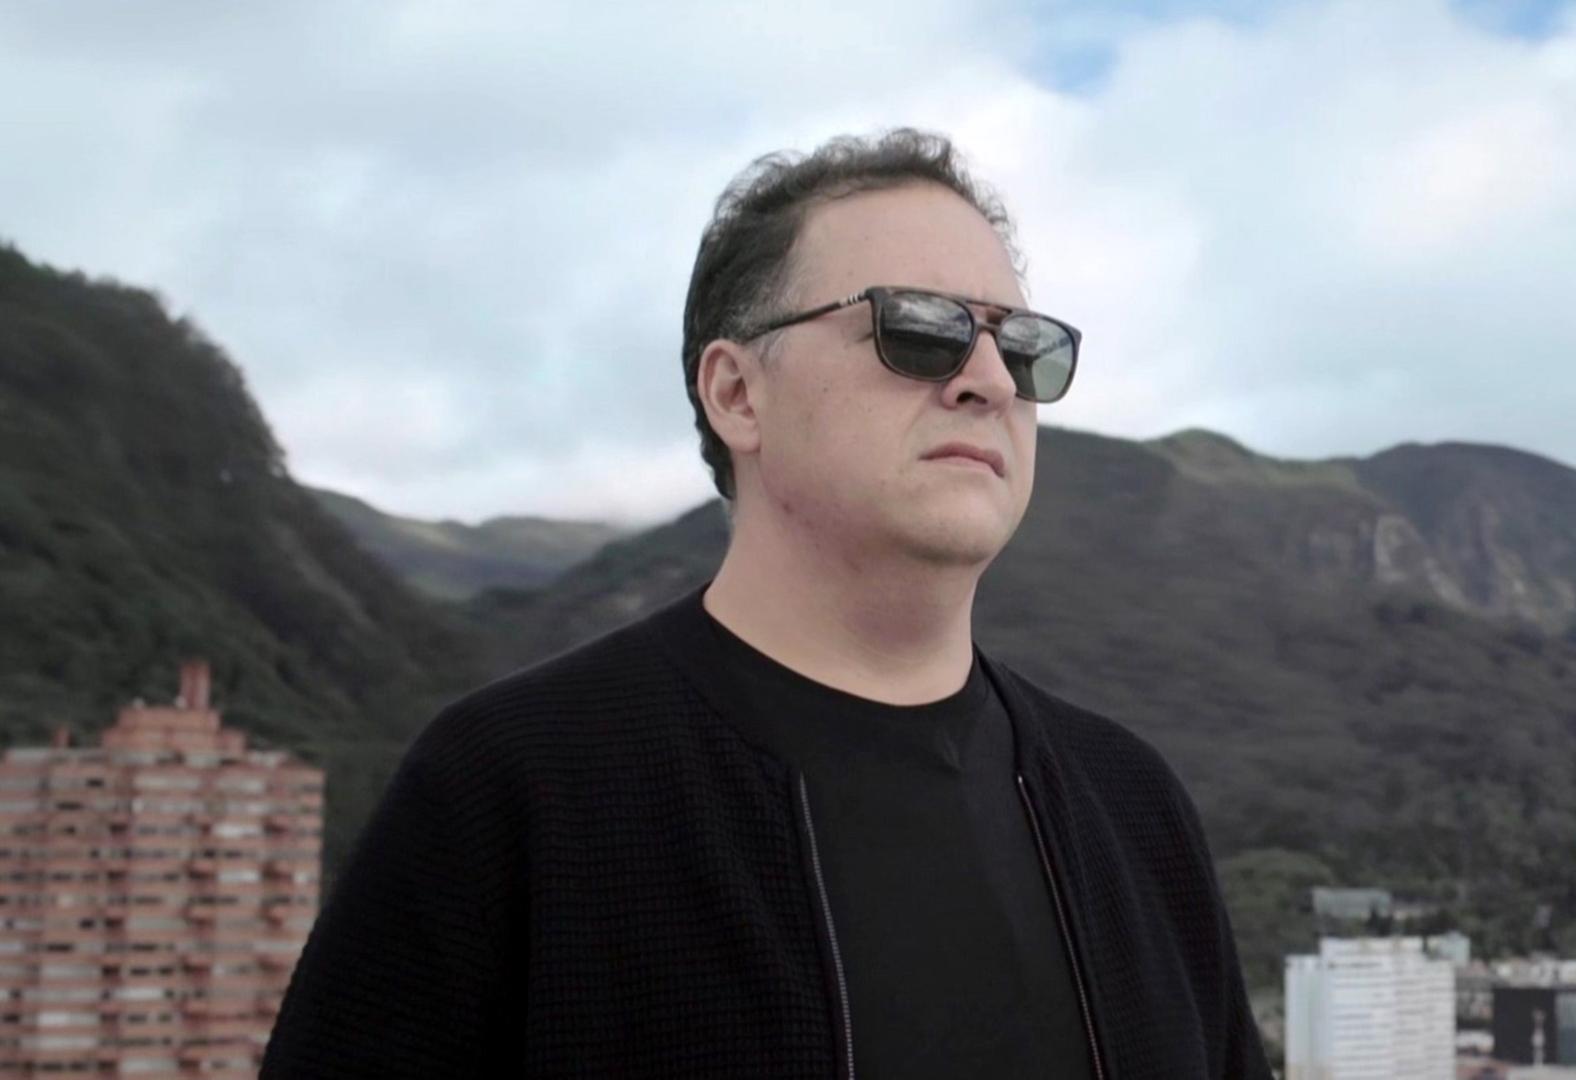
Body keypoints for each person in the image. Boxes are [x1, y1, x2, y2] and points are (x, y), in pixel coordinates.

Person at [263, 128, 1271, 1079]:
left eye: (1024, 347)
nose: (988, 381)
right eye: (920, 328)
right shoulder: (518, 789)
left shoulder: (1130, 807)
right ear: (737, 394)